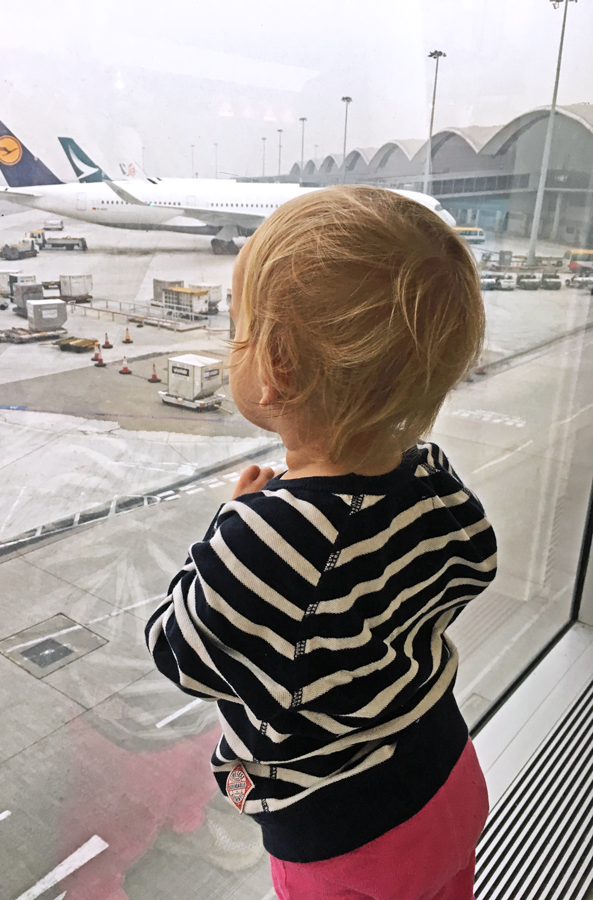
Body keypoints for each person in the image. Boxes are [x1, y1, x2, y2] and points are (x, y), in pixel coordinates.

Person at [145, 185, 497, 900]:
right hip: (447, 772)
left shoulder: (268, 536)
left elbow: (179, 652)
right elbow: (469, 565)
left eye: (237, 327)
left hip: (348, 837)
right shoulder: (430, 475)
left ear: (274, 370)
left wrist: (226, 531)